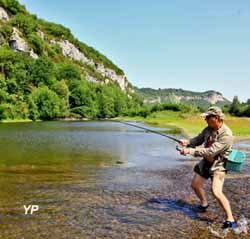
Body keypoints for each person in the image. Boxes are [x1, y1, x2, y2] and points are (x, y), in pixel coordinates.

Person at [178, 106, 237, 229]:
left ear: (216, 118)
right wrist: (188, 142)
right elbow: (198, 139)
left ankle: (230, 219)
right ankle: (204, 204)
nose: (205, 119)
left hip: (219, 165)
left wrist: (190, 151)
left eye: (208, 117)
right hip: (206, 162)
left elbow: (211, 151)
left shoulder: (227, 135)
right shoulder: (208, 129)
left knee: (216, 191)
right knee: (195, 185)